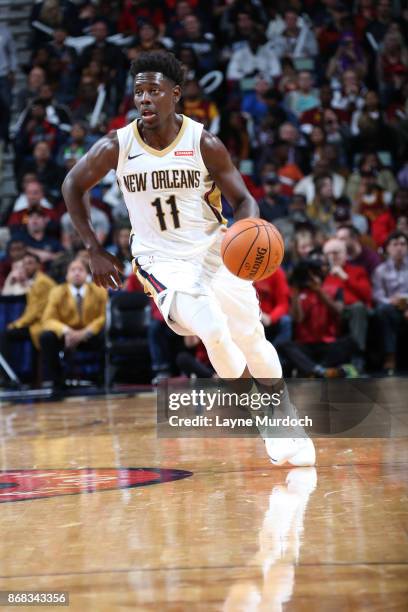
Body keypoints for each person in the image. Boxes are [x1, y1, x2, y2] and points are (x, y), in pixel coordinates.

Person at [61, 50, 315, 467]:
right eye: (138, 91)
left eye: (153, 91)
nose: (144, 99)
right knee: (213, 330)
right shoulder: (117, 145)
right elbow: (73, 184)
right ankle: (265, 420)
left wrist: (243, 232)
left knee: (251, 337)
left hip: (215, 253)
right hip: (160, 262)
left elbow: (244, 200)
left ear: (175, 95)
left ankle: (283, 413)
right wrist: (93, 247)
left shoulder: (203, 143)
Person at [39, 258, 107, 392]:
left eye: (80, 270)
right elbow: (47, 319)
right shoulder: (57, 292)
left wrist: (85, 332)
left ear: (87, 275)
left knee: (105, 335)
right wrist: (66, 331)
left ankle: (101, 380)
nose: (76, 273)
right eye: (73, 270)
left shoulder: (99, 290)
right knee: (46, 337)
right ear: (66, 275)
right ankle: (56, 381)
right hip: (66, 336)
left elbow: (103, 316)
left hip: (89, 335)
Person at [0, 254, 56, 382]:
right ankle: (14, 376)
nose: (26, 266)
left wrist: (17, 324)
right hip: (38, 323)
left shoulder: (42, 282)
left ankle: (7, 377)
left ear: (38, 265)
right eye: (24, 263)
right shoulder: (36, 280)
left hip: (44, 325)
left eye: (30, 263)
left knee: (5, 335)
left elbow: (35, 312)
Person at [372, 231, 408, 374]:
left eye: (403, 244)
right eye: (395, 244)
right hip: (391, 309)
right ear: (387, 248)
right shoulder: (380, 270)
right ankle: (390, 357)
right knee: (383, 310)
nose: (399, 248)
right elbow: (377, 294)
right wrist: (391, 301)